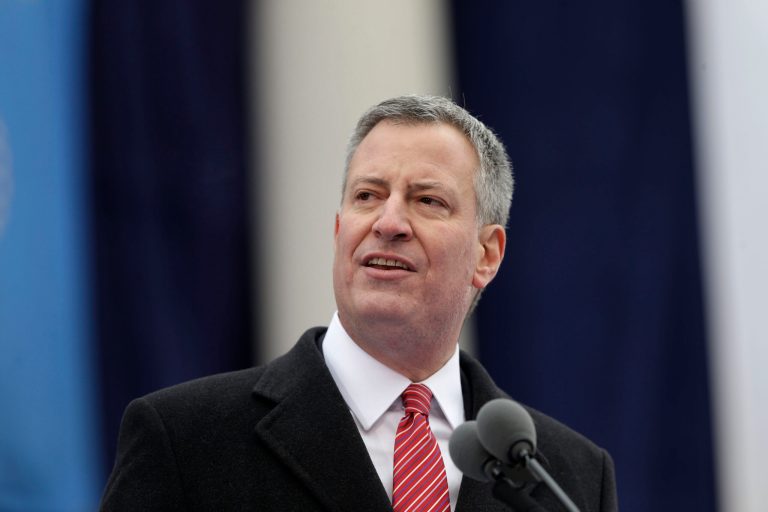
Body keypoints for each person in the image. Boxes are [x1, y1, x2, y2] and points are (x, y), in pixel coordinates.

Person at [100, 95, 618, 511]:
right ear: (339, 231)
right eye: (367, 196)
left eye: (427, 200)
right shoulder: (185, 439)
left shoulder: (569, 476)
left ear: (486, 254)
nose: (387, 223)